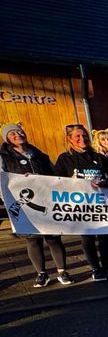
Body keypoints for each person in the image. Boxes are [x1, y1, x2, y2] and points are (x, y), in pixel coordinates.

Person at [0, 123, 74, 286]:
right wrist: (7, 199)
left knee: (53, 237)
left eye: (20, 131)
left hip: (45, 200)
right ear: (7, 138)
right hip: (23, 204)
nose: (18, 134)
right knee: (33, 239)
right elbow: (1, 181)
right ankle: (41, 274)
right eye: (12, 133)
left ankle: (62, 271)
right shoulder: (3, 157)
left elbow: (55, 176)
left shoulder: (40, 155)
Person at [54, 124, 108, 281]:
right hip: (80, 206)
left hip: (100, 204)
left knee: (104, 236)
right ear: (70, 139)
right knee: (87, 238)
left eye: (84, 135)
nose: (82, 139)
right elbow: (55, 180)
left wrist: (105, 182)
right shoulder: (65, 159)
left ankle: (107, 266)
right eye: (77, 136)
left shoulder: (100, 158)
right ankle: (96, 269)